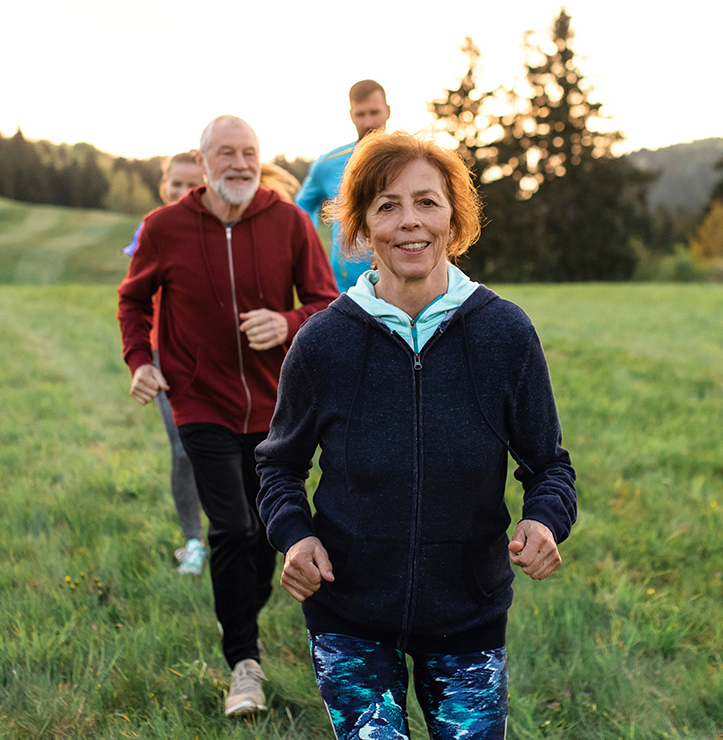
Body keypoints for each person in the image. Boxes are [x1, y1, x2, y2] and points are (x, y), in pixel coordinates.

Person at [256, 130, 577, 738]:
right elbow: (278, 465)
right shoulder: (323, 342)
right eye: (387, 205)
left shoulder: (504, 333)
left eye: (427, 202)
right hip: (346, 612)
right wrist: (295, 537)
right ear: (358, 226)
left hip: (467, 614)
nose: (410, 223)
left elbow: (549, 465)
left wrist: (544, 519)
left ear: (454, 216)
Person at [117, 115, 339, 716]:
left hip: (276, 408)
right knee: (232, 528)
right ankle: (245, 662)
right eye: (226, 153)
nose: (239, 163)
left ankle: (238, 617)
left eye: (249, 152)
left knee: (267, 532)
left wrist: (287, 323)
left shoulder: (289, 223)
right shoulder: (163, 227)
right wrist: (140, 359)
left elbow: (325, 301)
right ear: (205, 160)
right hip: (199, 402)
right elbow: (133, 298)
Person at [123, 152, 208, 575]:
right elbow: (135, 295)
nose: (183, 193)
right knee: (182, 449)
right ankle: (193, 541)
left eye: (193, 184)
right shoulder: (153, 228)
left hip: (215, 356)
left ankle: (245, 534)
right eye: (176, 183)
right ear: (163, 185)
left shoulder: (218, 229)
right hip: (165, 355)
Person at [296, 79, 391, 292]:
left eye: (374, 112)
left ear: (388, 111)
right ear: (351, 116)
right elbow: (301, 209)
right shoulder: (328, 164)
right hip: (345, 290)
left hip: (404, 284)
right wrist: (311, 252)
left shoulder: (413, 160)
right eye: (360, 114)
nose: (368, 122)